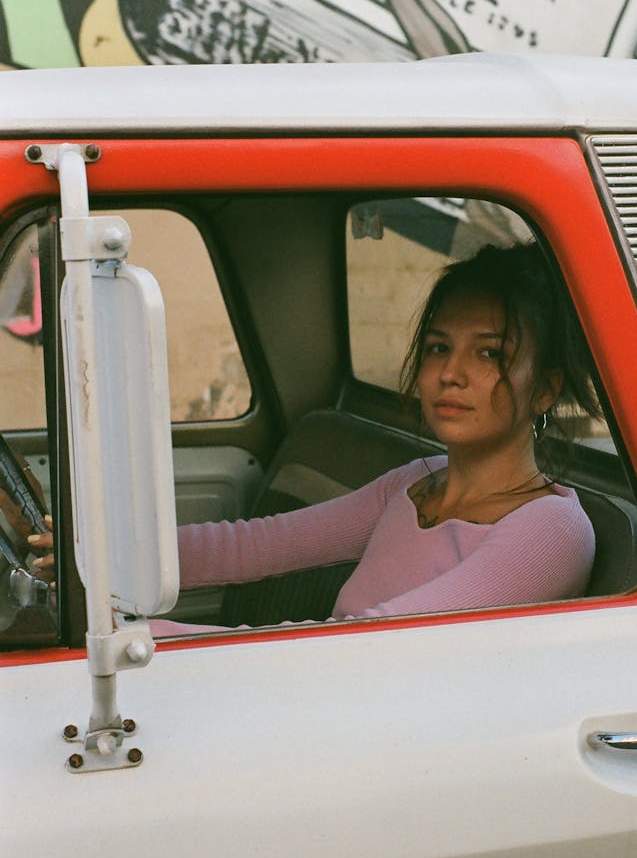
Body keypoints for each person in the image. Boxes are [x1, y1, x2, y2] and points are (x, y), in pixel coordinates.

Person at [170, 242, 600, 626]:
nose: (450, 374)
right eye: (439, 348)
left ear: (544, 390)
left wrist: (166, 641)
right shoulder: (415, 481)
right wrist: (115, 564)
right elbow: (256, 545)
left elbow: (371, 640)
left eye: (489, 353)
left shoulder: (553, 528)